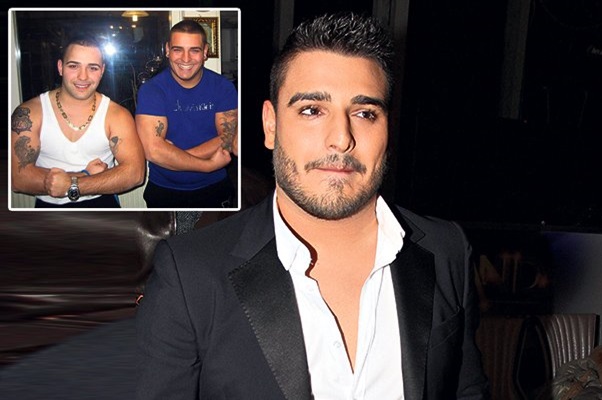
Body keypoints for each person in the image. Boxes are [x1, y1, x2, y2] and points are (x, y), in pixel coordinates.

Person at [137, 12, 489, 399]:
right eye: (311, 110)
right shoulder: (191, 274)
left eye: (365, 113)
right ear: (270, 125)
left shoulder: (446, 249)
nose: (341, 138)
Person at [10, 34, 145, 208]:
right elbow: (18, 178)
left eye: (93, 68)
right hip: (48, 209)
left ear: (102, 71)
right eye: (74, 66)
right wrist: (85, 174)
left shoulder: (117, 115)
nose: (83, 76)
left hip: (102, 204)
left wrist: (73, 185)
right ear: (60, 67)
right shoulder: (29, 113)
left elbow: (135, 174)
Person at [135, 19, 238, 208]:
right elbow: (153, 151)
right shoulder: (152, 90)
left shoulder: (223, 87)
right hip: (165, 191)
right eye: (178, 49)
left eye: (194, 50)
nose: (185, 58)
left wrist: (173, 156)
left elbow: (229, 138)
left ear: (205, 52)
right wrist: (207, 165)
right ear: (167, 50)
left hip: (214, 189)